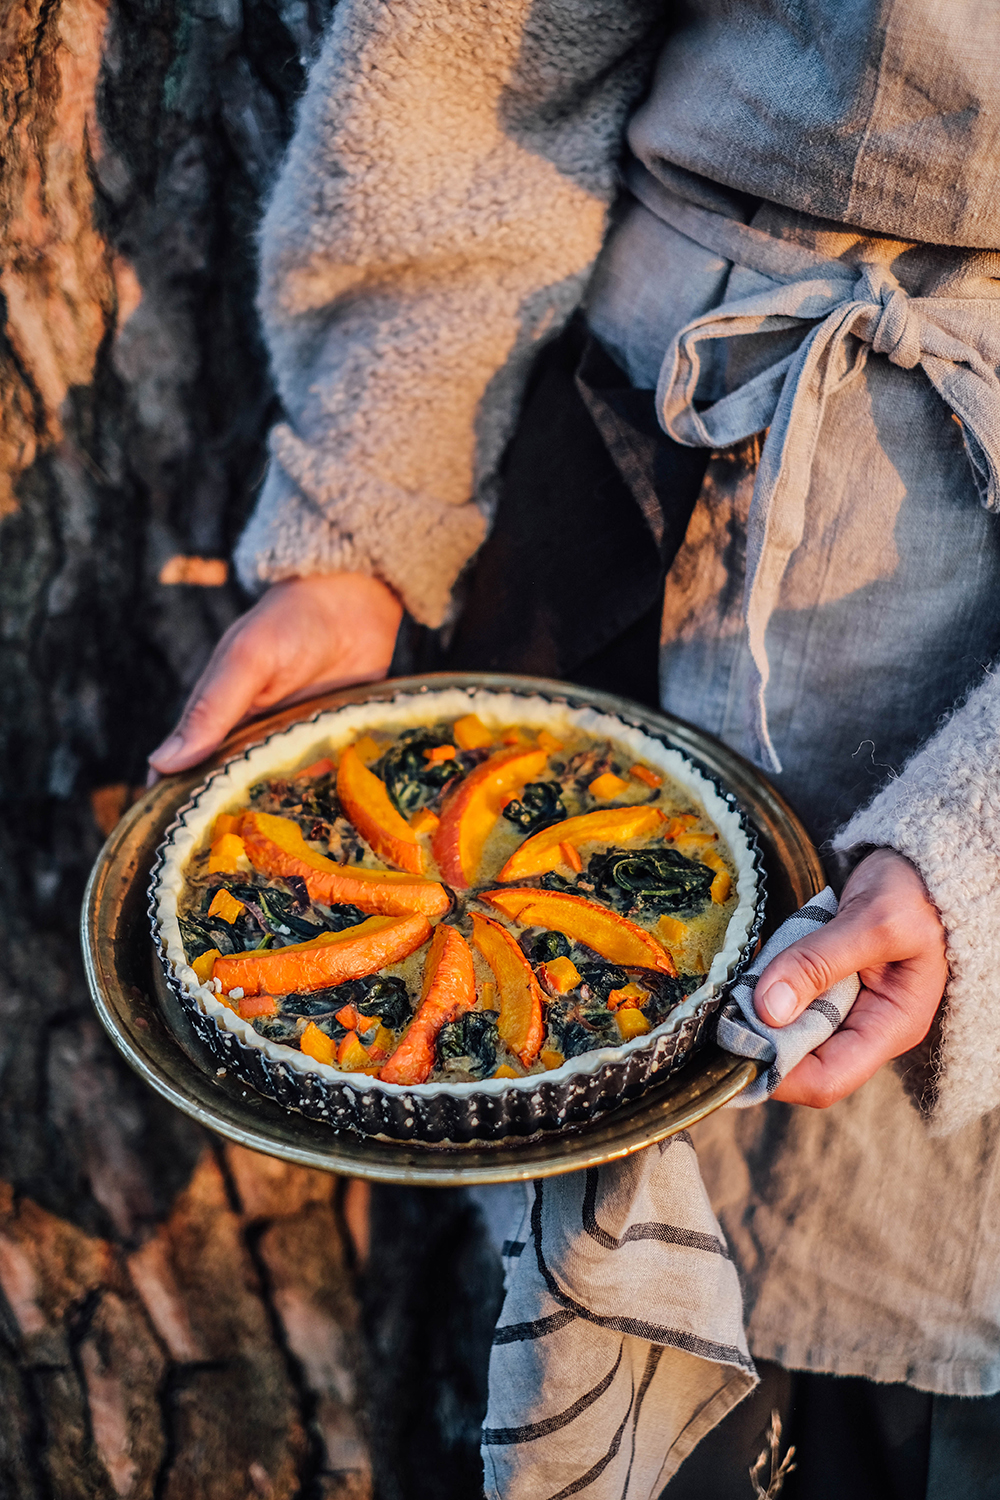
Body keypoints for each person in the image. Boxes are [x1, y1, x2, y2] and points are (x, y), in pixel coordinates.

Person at [149, 2, 1000, 1491]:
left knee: (898, 1404)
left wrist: (978, 851)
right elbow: (485, 58)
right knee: (584, 1242)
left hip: (959, 598)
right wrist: (367, 508)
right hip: (629, 474)